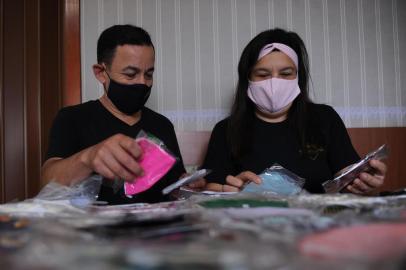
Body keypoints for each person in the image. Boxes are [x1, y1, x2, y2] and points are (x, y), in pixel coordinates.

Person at [192, 28, 386, 195]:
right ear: (247, 79)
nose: (274, 82)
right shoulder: (226, 129)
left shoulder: (325, 119)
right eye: (262, 74)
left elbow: (349, 181)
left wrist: (365, 184)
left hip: (319, 226)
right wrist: (235, 193)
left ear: (297, 77)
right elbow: (211, 191)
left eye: (285, 74)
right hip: (253, 230)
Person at [41, 24, 185, 204]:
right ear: (101, 73)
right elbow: (48, 182)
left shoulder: (162, 124)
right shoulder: (72, 118)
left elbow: (176, 187)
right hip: (95, 229)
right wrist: (89, 157)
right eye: (131, 74)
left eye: (148, 74)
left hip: (157, 228)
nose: (142, 83)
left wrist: (190, 185)